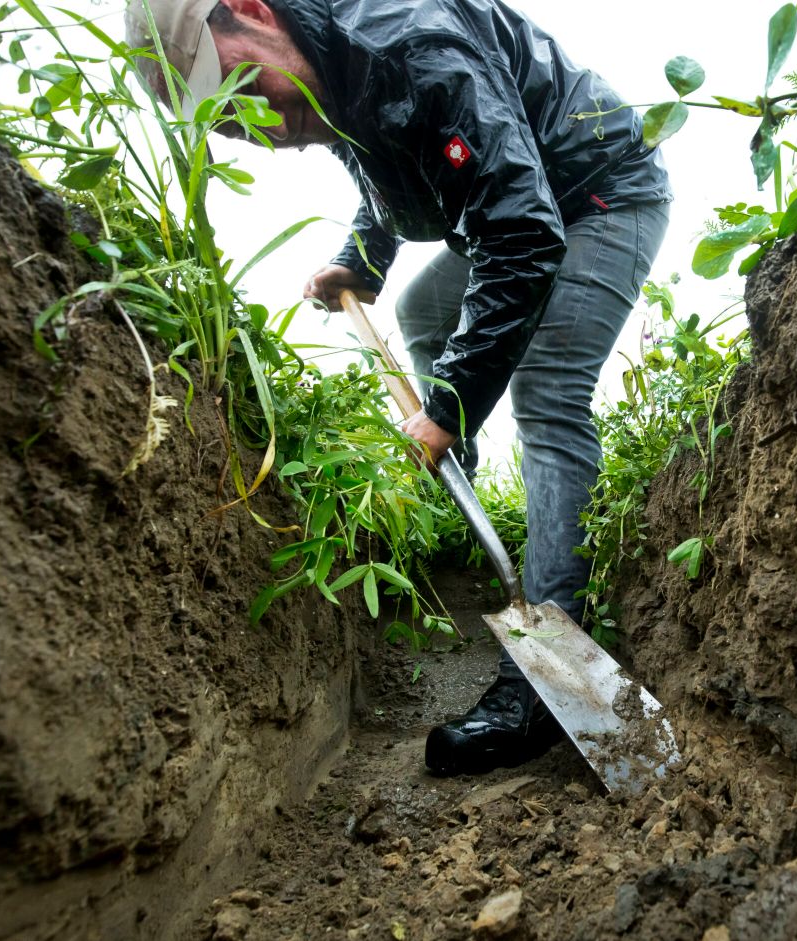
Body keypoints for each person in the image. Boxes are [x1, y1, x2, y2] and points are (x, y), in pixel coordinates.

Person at [125, 0, 671, 776]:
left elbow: (520, 229)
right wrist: (363, 257)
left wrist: (448, 406)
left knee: (548, 390)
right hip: (528, 196)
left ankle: (540, 684)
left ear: (252, 9)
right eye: (231, 125)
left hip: (598, 191)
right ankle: (466, 494)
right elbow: (386, 152)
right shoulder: (332, 63)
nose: (262, 128)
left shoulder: (410, 42)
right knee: (422, 306)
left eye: (244, 89)